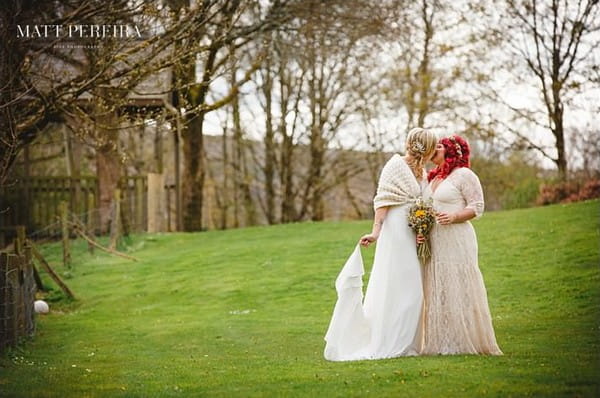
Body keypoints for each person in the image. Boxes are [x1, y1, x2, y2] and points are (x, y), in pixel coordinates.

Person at [324, 127, 437, 361]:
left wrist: (423, 228)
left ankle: (409, 343)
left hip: (413, 231)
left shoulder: (424, 173)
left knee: (414, 287)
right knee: (398, 283)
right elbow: (382, 201)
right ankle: (392, 341)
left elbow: (424, 203)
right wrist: (375, 232)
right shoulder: (395, 165)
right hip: (395, 229)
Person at [419, 135, 502, 355]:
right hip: (435, 239)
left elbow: (478, 206)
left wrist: (454, 216)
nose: (432, 150)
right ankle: (440, 341)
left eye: (438, 146)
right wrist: (421, 230)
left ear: (451, 151)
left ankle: (464, 339)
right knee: (438, 286)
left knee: (458, 284)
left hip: (457, 237)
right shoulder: (431, 177)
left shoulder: (464, 175)